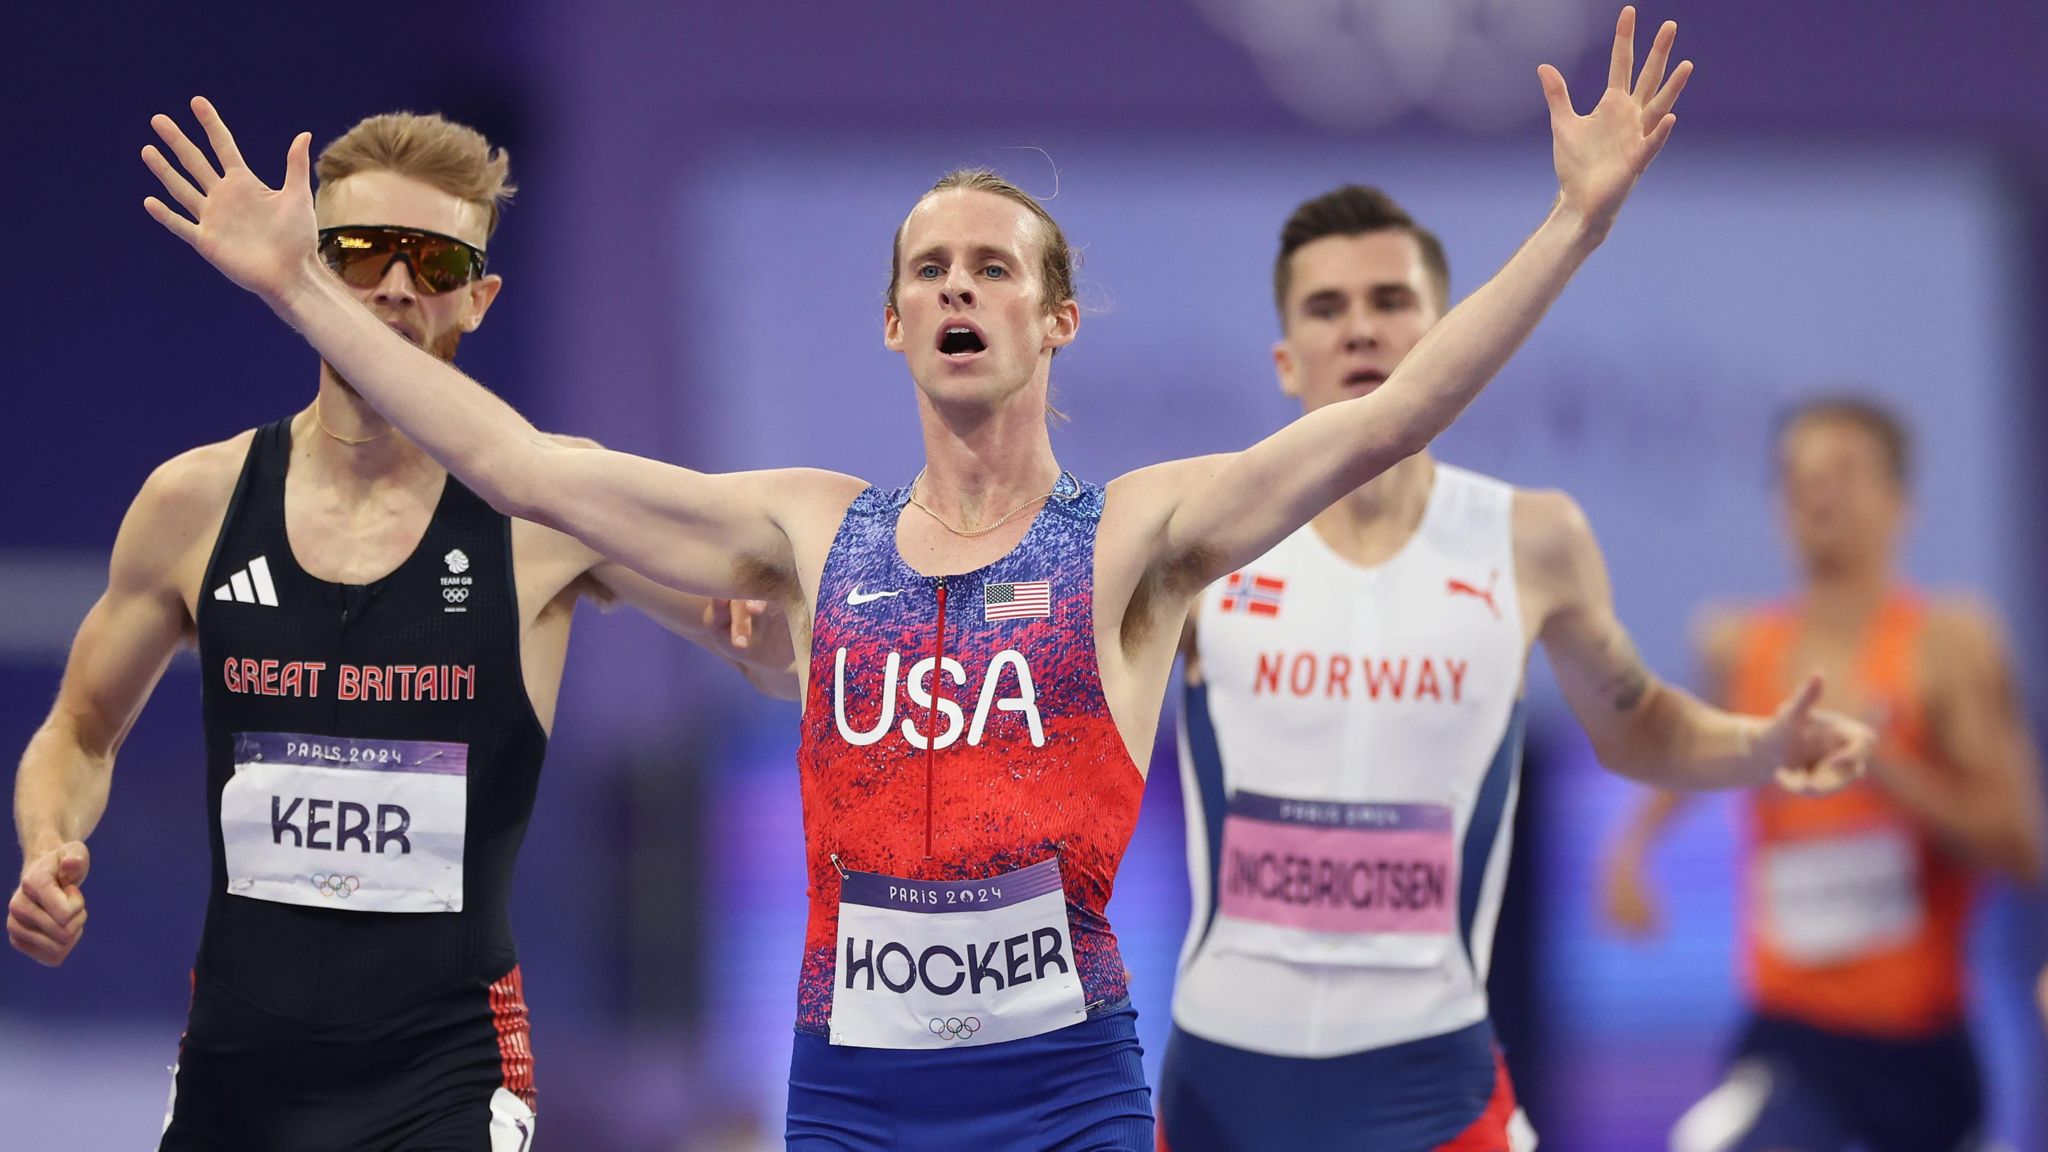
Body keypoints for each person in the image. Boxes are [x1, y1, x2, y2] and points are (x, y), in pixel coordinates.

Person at [140, 12, 1805, 1147]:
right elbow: (519, 466)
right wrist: (309, 294)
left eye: (990, 267)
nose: (957, 287)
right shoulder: (805, 529)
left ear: (1048, 320)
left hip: (1066, 1090)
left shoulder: (1137, 542)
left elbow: (1400, 416)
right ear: (891, 322)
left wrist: (1572, 223)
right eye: (926, 267)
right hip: (851, 1093)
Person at [9, 111, 794, 1151]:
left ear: (479, 297)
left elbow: (771, 651)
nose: (392, 284)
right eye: (359, 252)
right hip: (236, 1075)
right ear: (309, 265)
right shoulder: (193, 504)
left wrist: (756, 632)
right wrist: (48, 844)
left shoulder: (549, 513)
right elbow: (80, 728)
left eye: (432, 261)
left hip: (447, 1077)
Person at [1155, 167, 1875, 1151]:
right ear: (1286, 358)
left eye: (1389, 301)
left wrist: (1757, 745)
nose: (1359, 329)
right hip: (1226, 1092)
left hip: (1431, 1086)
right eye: (1326, 308)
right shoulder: (1203, 542)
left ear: (1447, 332)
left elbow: (1640, 725)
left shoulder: (1527, 540)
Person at [1601, 398, 2047, 1152]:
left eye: (1843, 472)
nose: (1817, 493)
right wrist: (1629, 853)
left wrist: (1890, 770)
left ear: (1901, 503)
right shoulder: (1740, 644)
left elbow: (2021, 849)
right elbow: (1688, 752)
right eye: (1797, 477)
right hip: (1791, 1037)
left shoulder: (1947, 646)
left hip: (1923, 1050)